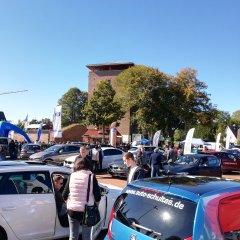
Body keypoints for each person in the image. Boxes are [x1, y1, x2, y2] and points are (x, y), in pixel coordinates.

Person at [67, 156, 101, 240]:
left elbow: (64, 194)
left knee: (73, 236)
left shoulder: (72, 176)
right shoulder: (91, 177)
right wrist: (96, 204)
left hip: (72, 210)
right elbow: (97, 196)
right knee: (86, 237)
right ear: (88, 165)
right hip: (87, 211)